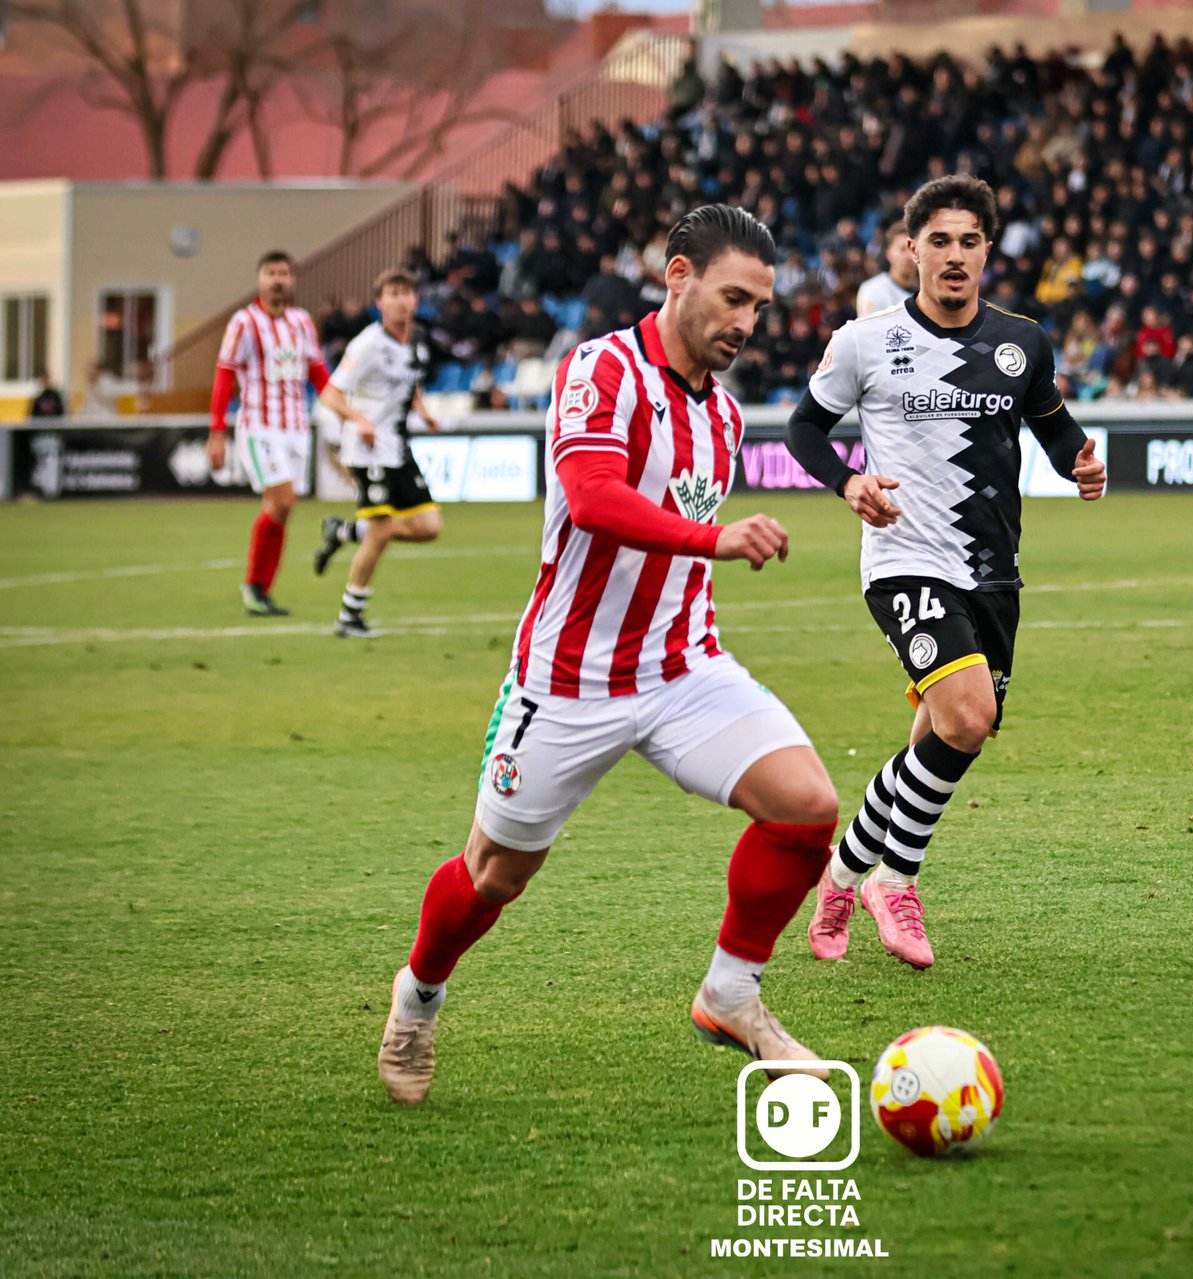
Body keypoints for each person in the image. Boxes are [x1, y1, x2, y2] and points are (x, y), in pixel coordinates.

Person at [378, 206, 841, 1104]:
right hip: (569, 681)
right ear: (678, 276)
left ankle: (730, 995)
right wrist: (712, 540)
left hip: (682, 668)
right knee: (492, 876)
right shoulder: (601, 370)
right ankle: (417, 997)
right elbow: (593, 499)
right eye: (733, 298)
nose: (746, 323)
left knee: (805, 808)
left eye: (759, 307)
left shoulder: (726, 416)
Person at [784, 175, 1105, 971]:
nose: (954, 255)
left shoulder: (1022, 339)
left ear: (987, 252)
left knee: (939, 739)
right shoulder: (867, 339)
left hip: (994, 567)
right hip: (905, 558)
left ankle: (840, 875)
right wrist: (850, 482)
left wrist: (1080, 462)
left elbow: (1051, 422)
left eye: (969, 241)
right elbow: (804, 427)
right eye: (939, 241)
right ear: (910, 250)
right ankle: (896, 880)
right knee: (967, 719)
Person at [208, 251, 374, 615]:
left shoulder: (301, 321)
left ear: (292, 280)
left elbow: (317, 372)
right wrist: (217, 431)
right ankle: (254, 584)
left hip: (296, 429)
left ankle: (259, 590)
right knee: (283, 501)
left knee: (281, 510)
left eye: (284, 273)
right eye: (271, 273)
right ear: (260, 279)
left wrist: (344, 413)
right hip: (259, 426)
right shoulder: (244, 322)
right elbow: (224, 374)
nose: (278, 280)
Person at [311, 269, 442, 637]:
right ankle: (349, 616)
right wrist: (359, 420)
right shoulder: (367, 344)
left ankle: (344, 532)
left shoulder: (417, 342)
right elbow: (331, 393)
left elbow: (410, 385)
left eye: (407, 293)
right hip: (367, 452)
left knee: (429, 528)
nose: (401, 300)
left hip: (398, 449)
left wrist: (425, 412)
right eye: (393, 293)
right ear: (379, 302)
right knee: (382, 532)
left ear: (415, 300)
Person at [855, 220, 918, 318]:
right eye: (902, 249)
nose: (908, 256)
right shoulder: (873, 290)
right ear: (889, 254)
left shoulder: (927, 293)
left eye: (913, 249)